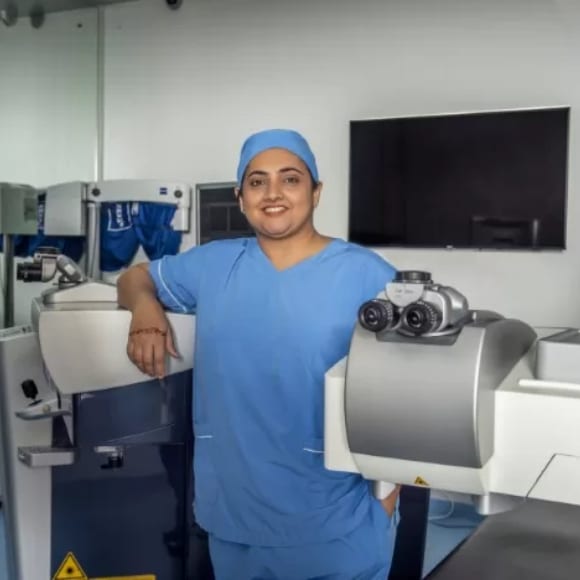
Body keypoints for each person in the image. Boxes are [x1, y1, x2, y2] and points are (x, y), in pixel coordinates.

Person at [117, 129, 400, 579]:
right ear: (241, 197)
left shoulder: (367, 274)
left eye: (290, 179)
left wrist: (384, 503)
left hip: (336, 521)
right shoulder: (213, 264)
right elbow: (135, 278)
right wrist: (146, 311)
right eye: (257, 182)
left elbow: (404, 393)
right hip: (234, 516)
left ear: (316, 191)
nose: (273, 193)